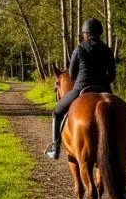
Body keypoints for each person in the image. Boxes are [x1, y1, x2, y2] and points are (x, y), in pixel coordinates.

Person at [47, 18, 116, 160]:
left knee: (57, 112)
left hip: (80, 89)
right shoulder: (107, 50)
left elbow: (71, 74)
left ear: (85, 33)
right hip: (104, 89)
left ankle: (55, 147)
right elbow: (112, 75)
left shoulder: (79, 49)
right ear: (100, 33)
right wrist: (103, 82)